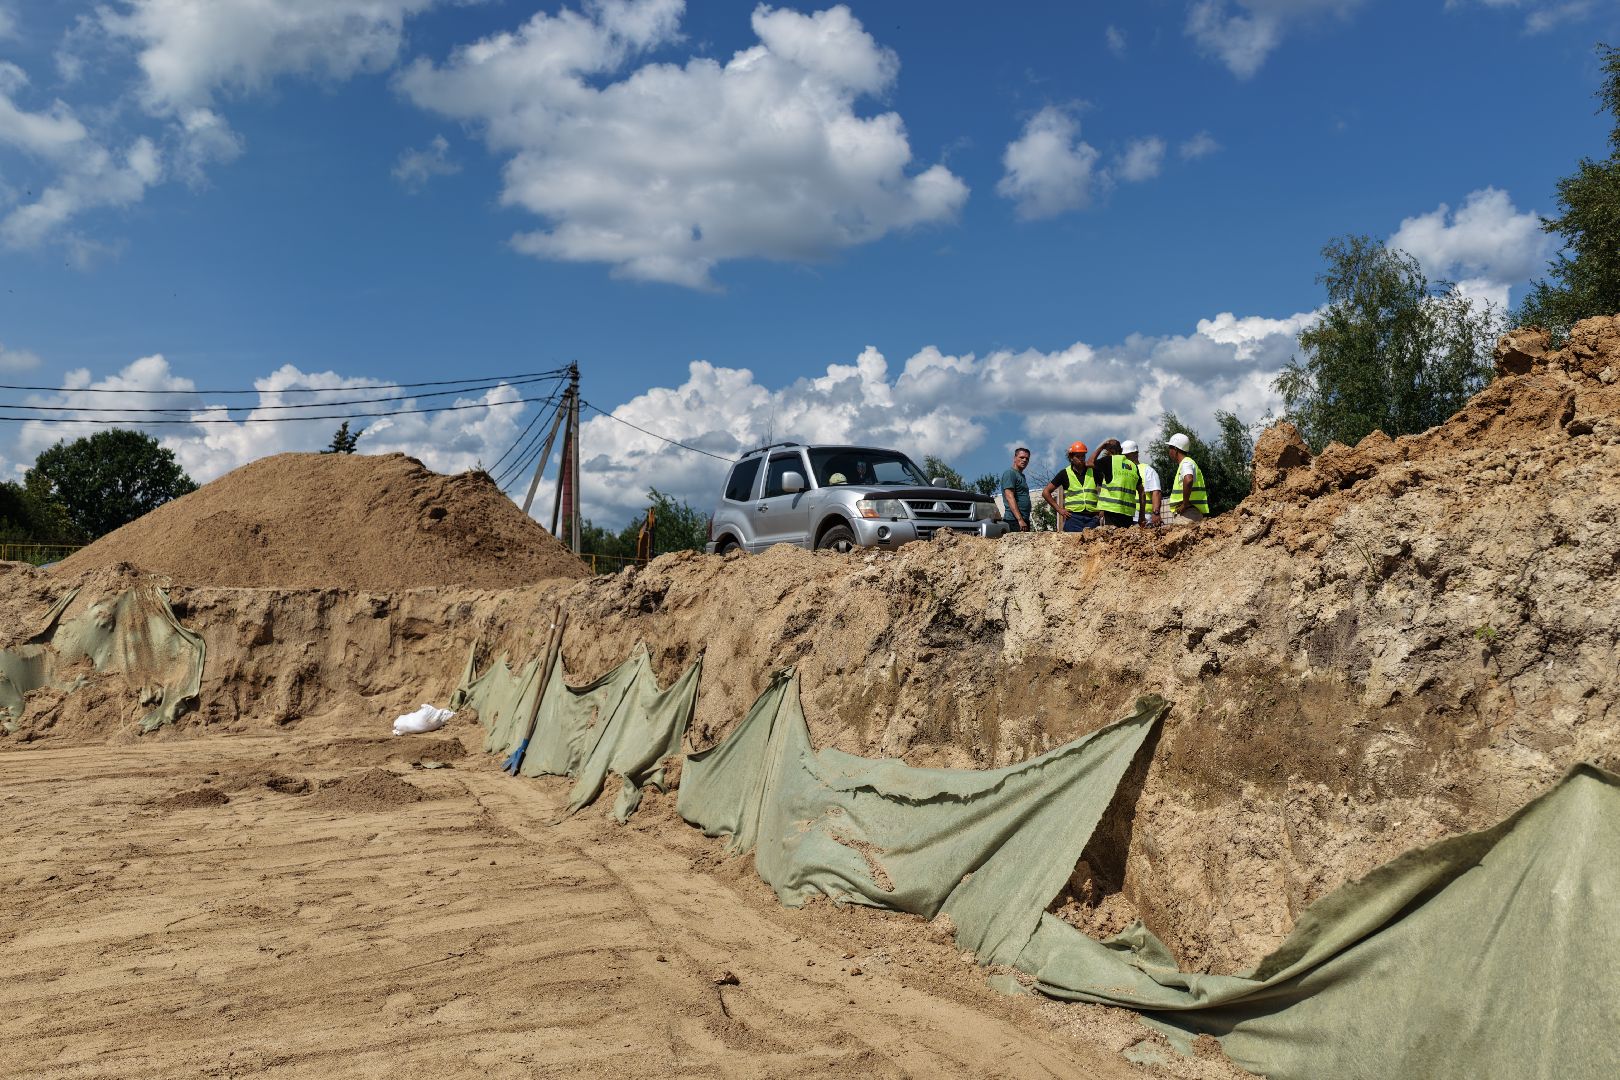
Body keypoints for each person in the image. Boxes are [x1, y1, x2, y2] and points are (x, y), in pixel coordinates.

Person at [1041, 442, 1098, 532]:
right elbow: (1045, 492)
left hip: (1092, 517)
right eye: (1078, 456)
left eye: (1083, 456)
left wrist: (1103, 509)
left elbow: (1106, 487)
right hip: (1073, 518)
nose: (1081, 459)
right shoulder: (1064, 473)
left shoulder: (1093, 471)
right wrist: (1059, 510)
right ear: (1071, 458)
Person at [1092, 439, 1144, 528]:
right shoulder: (1133, 466)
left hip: (1111, 510)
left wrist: (1101, 447)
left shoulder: (1109, 460)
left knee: (1112, 538)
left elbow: (1090, 462)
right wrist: (1141, 515)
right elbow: (1141, 491)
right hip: (1128, 512)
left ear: (1110, 450)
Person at [1164, 432, 1209, 524]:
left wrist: (1184, 504)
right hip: (1192, 512)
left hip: (1188, 514)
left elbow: (1188, 480)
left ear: (1176, 449)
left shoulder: (1186, 463)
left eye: (1170, 448)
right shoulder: (1189, 463)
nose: (1169, 452)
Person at [1127, 440, 1163, 526]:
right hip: (1127, 516)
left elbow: (1156, 492)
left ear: (1136, 454)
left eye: (1127, 456)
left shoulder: (1147, 470)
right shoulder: (1125, 471)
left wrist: (1156, 513)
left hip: (1145, 518)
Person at [1000, 447, 1033, 531]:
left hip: (1023, 519)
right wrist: (1020, 520)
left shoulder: (1021, 476)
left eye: (1027, 459)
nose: (1024, 460)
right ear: (1015, 458)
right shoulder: (1010, 473)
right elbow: (1010, 497)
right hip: (1014, 521)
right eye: (1021, 457)